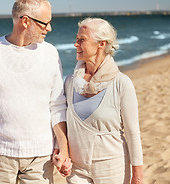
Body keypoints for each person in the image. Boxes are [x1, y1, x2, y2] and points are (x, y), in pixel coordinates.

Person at [0, 0, 71, 184]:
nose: (49, 28)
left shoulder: (50, 53)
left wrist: (64, 148)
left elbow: (57, 105)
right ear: (25, 21)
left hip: (41, 157)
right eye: (44, 23)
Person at [59, 17, 144, 183]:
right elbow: (63, 122)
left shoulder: (121, 83)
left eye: (81, 40)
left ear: (101, 44)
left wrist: (138, 176)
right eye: (76, 40)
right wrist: (62, 153)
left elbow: (133, 133)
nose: (75, 44)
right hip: (76, 169)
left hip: (112, 167)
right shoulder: (70, 82)